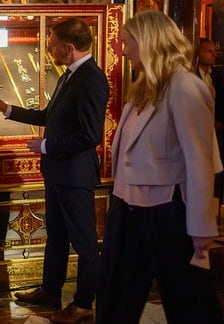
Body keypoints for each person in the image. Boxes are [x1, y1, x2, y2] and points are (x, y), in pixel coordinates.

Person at [96, 10, 224, 324]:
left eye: (128, 43)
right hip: (127, 207)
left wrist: (200, 227)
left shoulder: (185, 86)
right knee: (115, 295)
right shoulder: (143, 87)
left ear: (149, 42)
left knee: (188, 300)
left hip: (166, 211)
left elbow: (199, 160)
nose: (123, 51)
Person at [0, 17, 109, 323]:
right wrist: (9, 109)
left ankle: (82, 306)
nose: (48, 47)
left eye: (52, 41)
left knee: (84, 244)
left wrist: (45, 147)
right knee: (56, 236)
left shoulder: (91, 79)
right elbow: (49, 117)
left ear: (68, 47)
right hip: (58, 173)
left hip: (75, 176)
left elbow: (89, 135)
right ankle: (51, 291)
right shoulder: (70, 75)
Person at [195, 37, 224, 205]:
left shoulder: (217, 77)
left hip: (215, 131)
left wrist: (219, 121)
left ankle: (213, 209)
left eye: (214, 51)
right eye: (208, 51)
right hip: (197, 131)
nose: (213, 55)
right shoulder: (191, 75)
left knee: (216, 172)